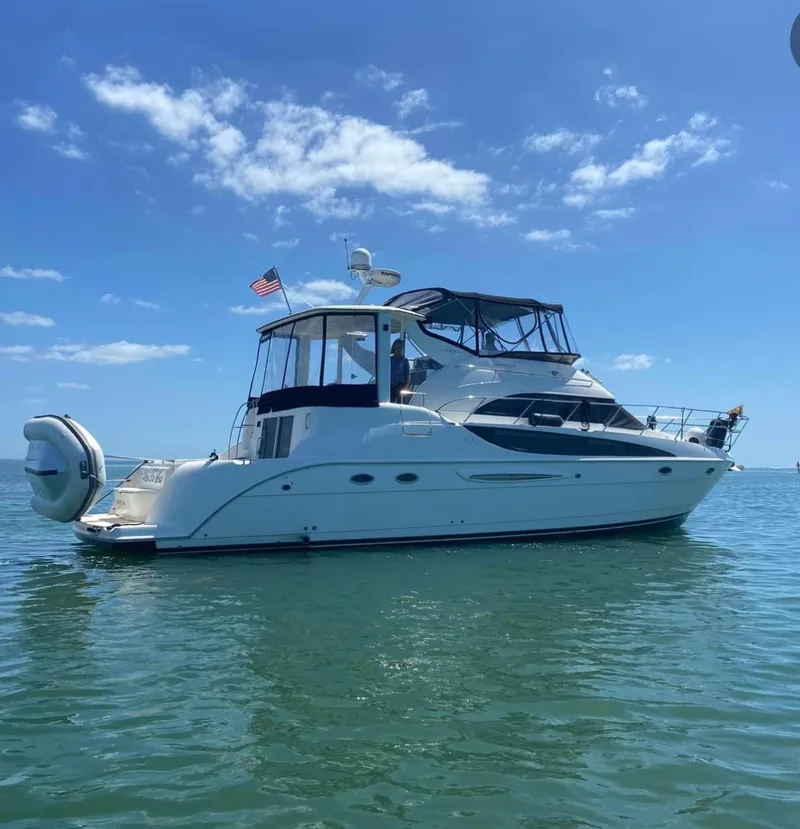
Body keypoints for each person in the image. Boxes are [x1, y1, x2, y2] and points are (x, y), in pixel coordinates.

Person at [390, 338, 410, 403]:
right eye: (397, 347)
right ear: (394, 347)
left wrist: (406, 386)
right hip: (390, 385)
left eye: (400, 347)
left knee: (399, 401)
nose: (398, 349)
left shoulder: (404, 360)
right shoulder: (389, 359)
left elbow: (408, 374)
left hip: (400, 385)